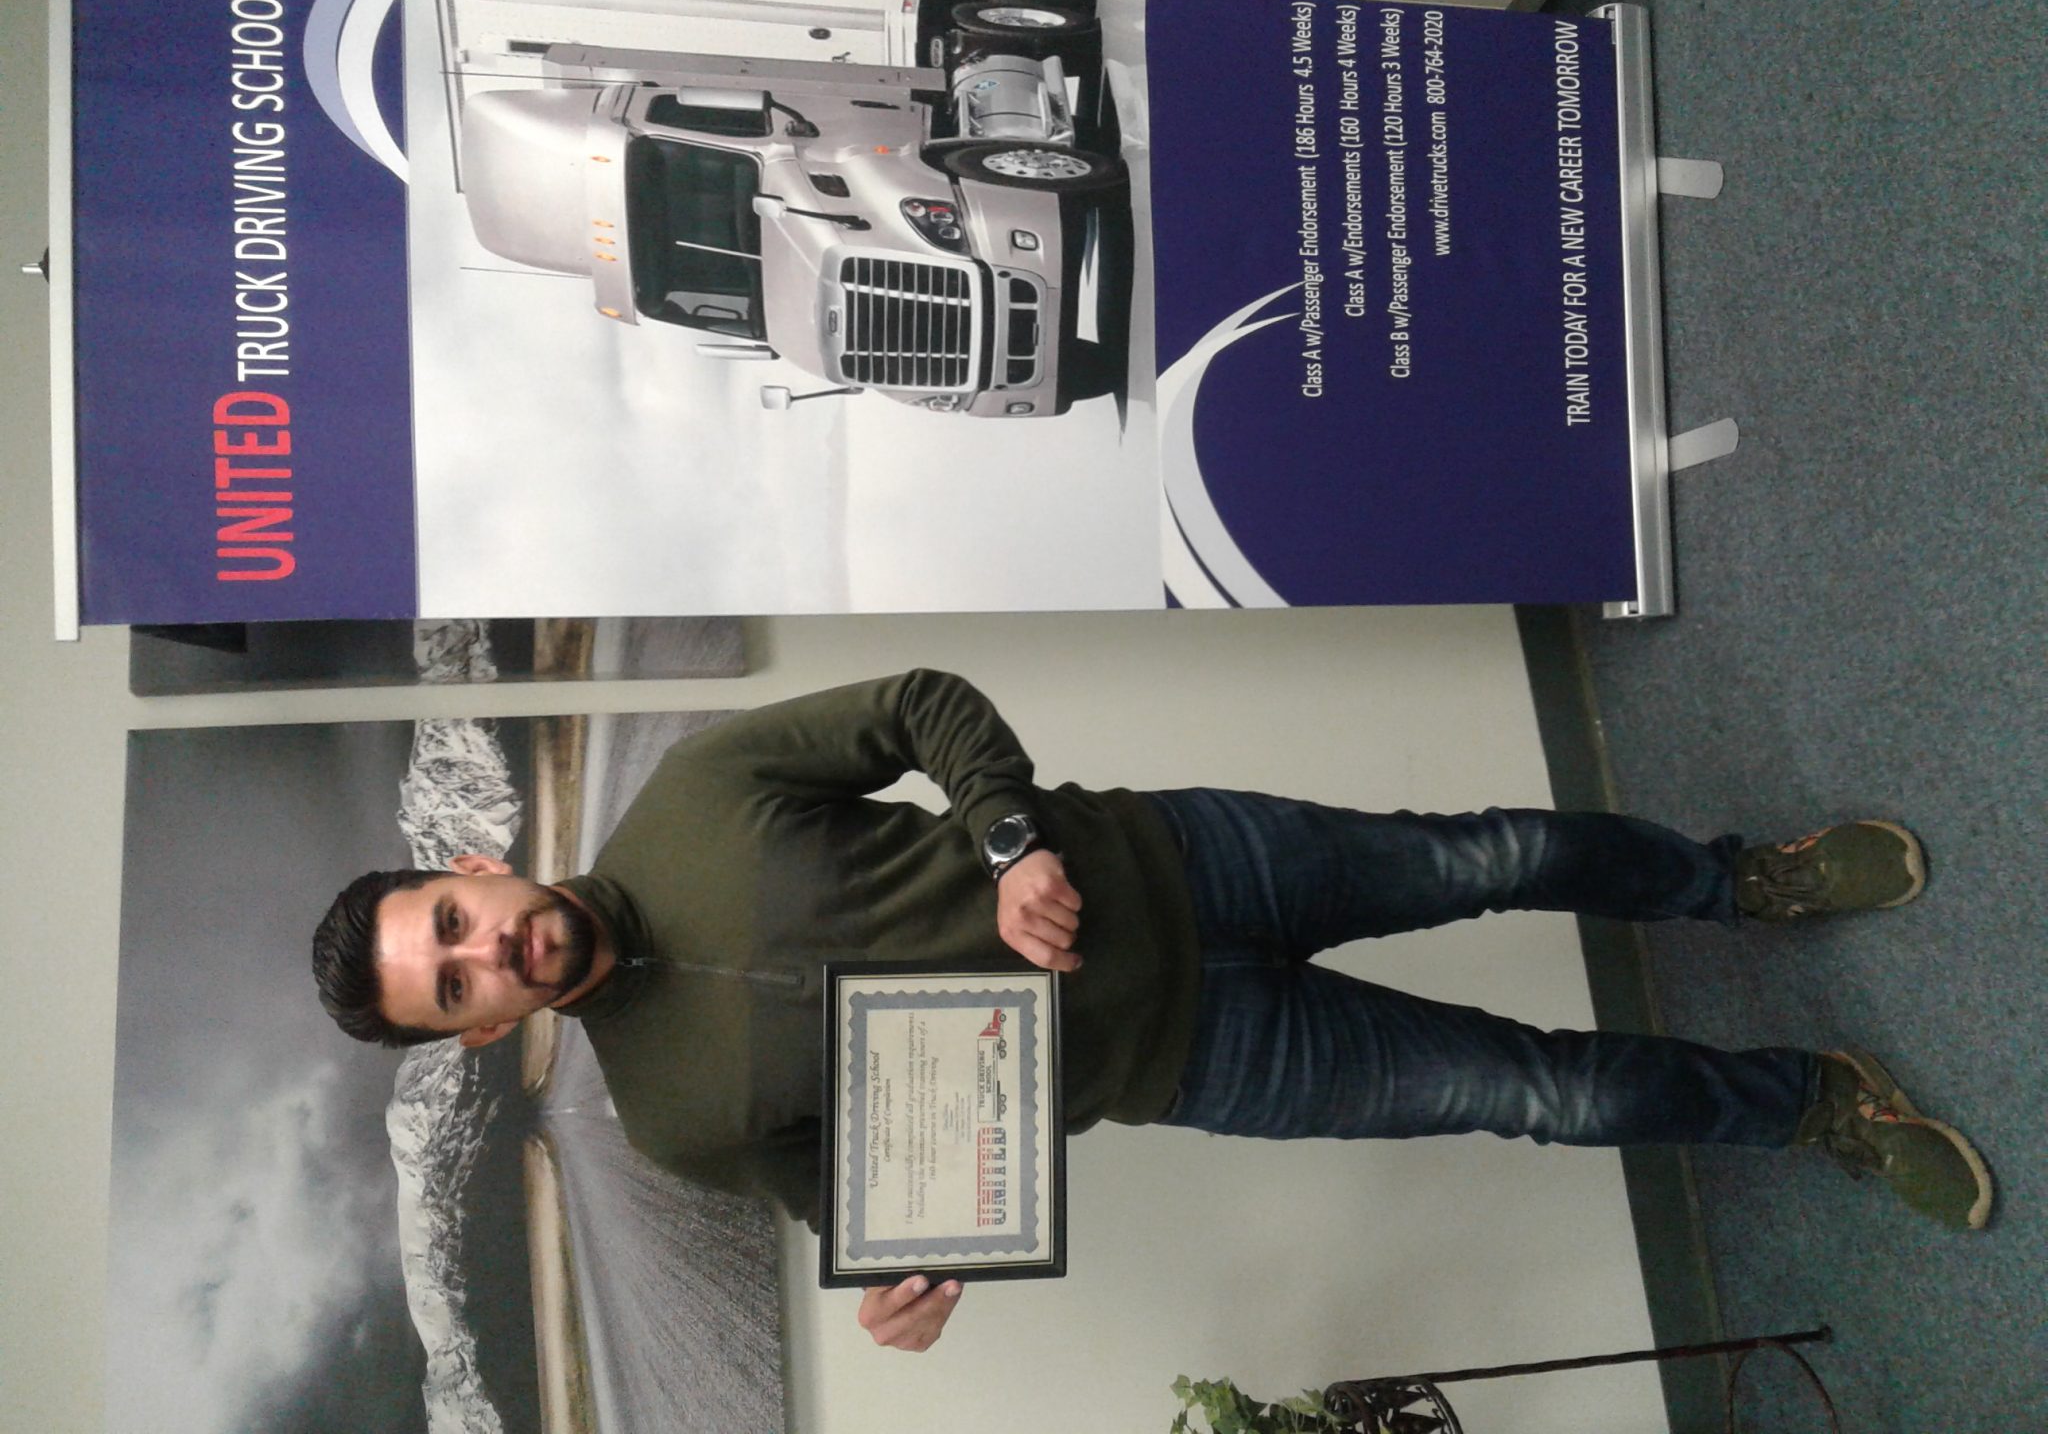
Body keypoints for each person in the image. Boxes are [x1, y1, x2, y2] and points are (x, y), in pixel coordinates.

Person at [311, 669, 1994, 1353]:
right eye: (455, 985)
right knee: (1544, 1096)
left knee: (1500, 853)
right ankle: (1815, 1105)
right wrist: (913, 1283)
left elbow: (923, 709)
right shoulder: (672, 1122)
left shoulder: (691, 792)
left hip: (1192, 862)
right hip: (1203, 1061)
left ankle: (1741, 882)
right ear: (476, 1034)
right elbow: (861, 1198)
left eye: (453, 922)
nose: (488, 953)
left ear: (476, 866)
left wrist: (1011, 842)